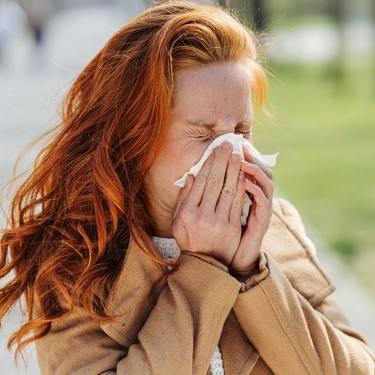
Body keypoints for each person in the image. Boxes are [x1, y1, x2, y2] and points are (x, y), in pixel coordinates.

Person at [0, 1, 374, 374]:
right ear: (134, 138)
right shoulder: (76, 259)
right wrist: (204, 270)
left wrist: (250, 273)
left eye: (242, 131)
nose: (233, 153)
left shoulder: (275, 226)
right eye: (203, 133)